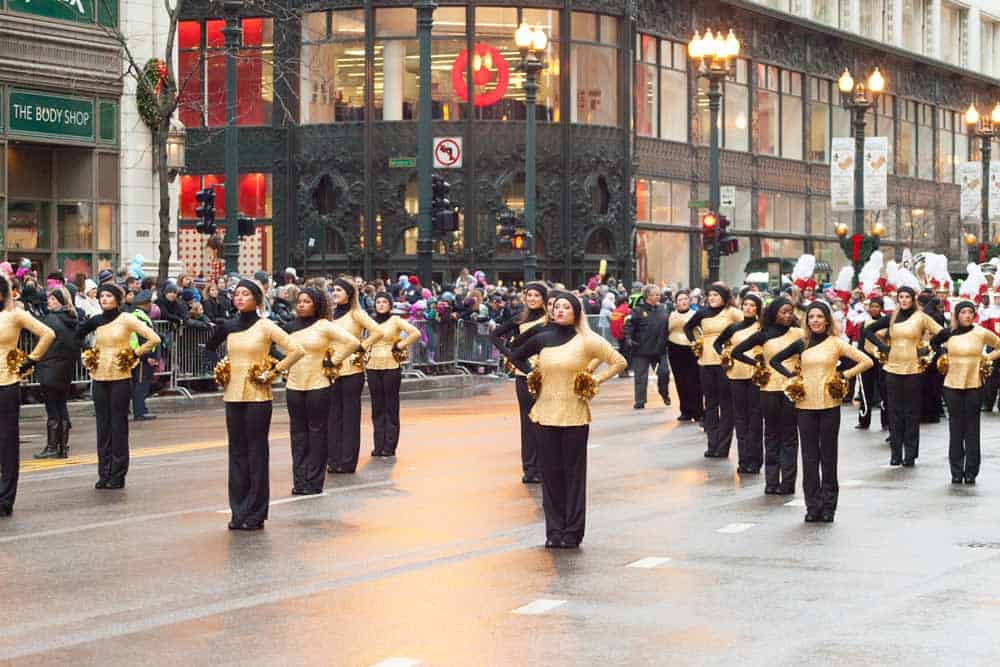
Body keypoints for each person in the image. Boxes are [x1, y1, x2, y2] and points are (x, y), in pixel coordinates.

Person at [507, 292, 626, 548]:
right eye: (556, 307)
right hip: (544, 414)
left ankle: (572, 531)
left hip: (574, 416)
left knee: (573, 475)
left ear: (576, 312)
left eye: (565, 307)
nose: (559, 310)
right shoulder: (542, 337)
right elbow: (514, 352)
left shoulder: (587, 340)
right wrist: (531, 373)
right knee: (550, 476)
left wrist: (594, 380)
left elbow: (618, 362)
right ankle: (554, 531)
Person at [206, 279, 304, 529]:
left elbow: (296, 350)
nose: (239, 298)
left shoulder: (266, 326)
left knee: (256, 453)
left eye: (245, 294)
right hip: (232, 396)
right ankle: (238, 511)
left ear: (257, 300)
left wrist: (273, 372)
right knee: (236, 453)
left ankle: (256, 512)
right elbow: (208, 349)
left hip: (258, 397)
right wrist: (219, 369)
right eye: (236, 294)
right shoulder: (228, 326)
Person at [769, 301, 872, 522]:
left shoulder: (836, 343)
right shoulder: (802, 343)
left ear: (827, 320)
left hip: (829, 407)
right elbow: (774, 360)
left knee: (828, 457)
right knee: (809, 458)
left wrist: (844, 375)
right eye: (811, 317)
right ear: (807, 321)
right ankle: (812, 506)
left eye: (819, 316)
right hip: (804, 406)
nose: (815, 320)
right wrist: (793, 378)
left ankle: (828, 507)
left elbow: (866, 361)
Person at [75, 284, 161, 489]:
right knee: (102, 427)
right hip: (99, 378)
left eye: (108, 296)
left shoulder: (127, 318)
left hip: (120, 377)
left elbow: (154, 338)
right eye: (102, 296)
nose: (104, 299)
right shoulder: (96, 320)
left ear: (118, 299)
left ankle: (117, 474)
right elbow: (77, 334)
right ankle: (103, 473)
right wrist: (87, 350)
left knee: (118, 426)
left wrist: (134, 354)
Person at [283, 287, 358, 495]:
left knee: (317, 433)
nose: (301, 305)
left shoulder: (324, 325)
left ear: (316, 305)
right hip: (294, 386)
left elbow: (352, 342)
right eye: (299, 301)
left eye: (307, 301)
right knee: (298, 435)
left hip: (318, 385)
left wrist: (333, 362)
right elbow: (275, 347)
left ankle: (314, 481)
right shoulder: (289, 327)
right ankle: (299, 481)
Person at [863, 285, 942, 467]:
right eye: (901, 297)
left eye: (907, 296)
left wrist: (927, 346)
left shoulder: (921, 317)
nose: (904, 300)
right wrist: (883, 347)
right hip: (892, 370)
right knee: (894, 412)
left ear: (913, 299)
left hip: (914, 370)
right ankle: (896, 453)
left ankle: (910, 454)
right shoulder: (892, 317)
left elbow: (942, 332)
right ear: (898, 299)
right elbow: (867, 331)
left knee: (912, 413)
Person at [732, 297, 802, 495]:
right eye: (783, 312)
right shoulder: (763, 334)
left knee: (789, 436)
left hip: (792, 390)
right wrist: (757, 364)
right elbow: (737, 352)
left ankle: (787, 483)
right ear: (774, 313)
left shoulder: (799, 333)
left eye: (790, 312)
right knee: (771, 434)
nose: (788, 316)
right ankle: (771, 482)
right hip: (768, 389)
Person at [0, 274, 55, 515]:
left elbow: (47, 334)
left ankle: (5, 499)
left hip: (7, 383)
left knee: (7, 442)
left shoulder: (16, 315)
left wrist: (29, 361)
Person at [930, 300, 1000, 485]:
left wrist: (986, 358)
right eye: (963, 312)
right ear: (957, 314)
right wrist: (942, 355)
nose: (967, 315)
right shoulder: (949, 333)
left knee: (972, 429)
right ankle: (956, 471)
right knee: (955, 429)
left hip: (974, 385)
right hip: (952, 385)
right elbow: (933, 342)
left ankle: (971, 471)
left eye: (970, 312)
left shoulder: (980, 332)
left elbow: (998, 345)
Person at [490, 282, 549, 483]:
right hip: (524, 375)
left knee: (544, 420)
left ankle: (543, 466)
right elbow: (495, 335)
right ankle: (530, 469)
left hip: (547, 374)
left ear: (543, 298)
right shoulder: (519, 318)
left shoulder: (551, 319)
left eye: (536, 295)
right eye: (529, 295)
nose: (532, 298)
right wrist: (511, 356)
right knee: (528, 421)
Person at [328, 276, 384, 474]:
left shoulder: (356, 314)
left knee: (350, 417)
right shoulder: (330, 315)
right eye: (333, 290)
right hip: (332, 370)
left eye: (339, 290)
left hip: (352, 371)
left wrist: (362, 347)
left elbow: (377, 332)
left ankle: (347, 460)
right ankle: (333, 459)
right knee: (333, 416)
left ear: (349, 294)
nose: (335, 293)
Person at [684, 283, 742, 458]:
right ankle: (712, 444)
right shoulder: (702, 313)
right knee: (710, 404)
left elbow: (749, 325)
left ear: (724, 297)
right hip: (705, 362)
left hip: (725, 363)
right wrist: (695, 343)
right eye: (710, 295)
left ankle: (723, 447)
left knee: (726, 405)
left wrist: (736, 345)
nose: (712, 298)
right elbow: (688, 327)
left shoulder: (732, 312)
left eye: (716, 295)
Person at [713, 293, 763, 474]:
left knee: (755, 418)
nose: (748, 308)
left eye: (752, 305)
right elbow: (717, 344)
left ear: (758, 308)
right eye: (746, 305)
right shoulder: (733, 328)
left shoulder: (762, 327)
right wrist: (725, 356)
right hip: (736, 375)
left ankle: (755, 460)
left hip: (757, 376)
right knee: (740, 419)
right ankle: (743, 461)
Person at [368, 292, 421, 457]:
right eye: (378, 302)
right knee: (377, 407)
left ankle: (389, 445)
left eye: (385, 302)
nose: (381, 305)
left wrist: (400, 345)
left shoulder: (396, 320)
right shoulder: (370, 322)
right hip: (372, 366)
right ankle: (378, 444)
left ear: (390, 305)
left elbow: (415, 333)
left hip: (391, 365)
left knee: (390, 405)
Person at [34, 286, 80, 459]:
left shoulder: (51, 320)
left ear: (61, 302)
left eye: (53, 299)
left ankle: (53, 447)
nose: (49, 302)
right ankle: (62, 446)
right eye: (49, 299)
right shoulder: (72, 319)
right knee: (62, 407)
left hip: (50, 368)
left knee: (53, 409)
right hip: (65, 369)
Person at [624, 285, 670, 410]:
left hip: (660, 349)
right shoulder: (638, 310)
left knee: (664, 373)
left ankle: (664, 394)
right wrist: (628, 338)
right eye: (655, 294)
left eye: (658, 294)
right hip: (642, 349)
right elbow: (629, 326)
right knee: (640, 376)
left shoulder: (663, 309)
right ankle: (640, 400)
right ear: (647, 297)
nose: (658, 296)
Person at [667, 290, 702, 422]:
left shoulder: (695, 314)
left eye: (686, 299)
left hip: (692, 348)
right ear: (676, 303)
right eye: (681, 299)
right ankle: (685, 410)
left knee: (695, 380)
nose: (684, 301)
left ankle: (698, 411)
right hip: (675, 348)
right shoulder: (671, 315)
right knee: (681, 381)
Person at [856, 297, 888, 431]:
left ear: (881, 308)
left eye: (877, 306)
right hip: (867, 359)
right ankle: (864, 420)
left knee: (884, 391)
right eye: (872, 306)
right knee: (865, 390)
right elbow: (861, 343)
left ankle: (886, 422)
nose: (874, 309)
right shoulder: (864, 323)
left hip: (882, 360)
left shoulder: (886, 322)